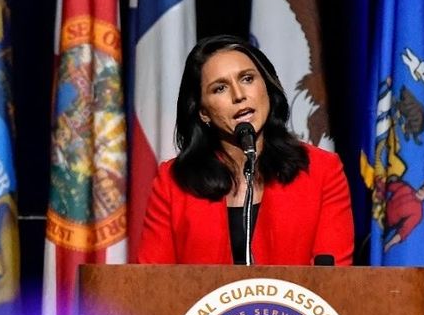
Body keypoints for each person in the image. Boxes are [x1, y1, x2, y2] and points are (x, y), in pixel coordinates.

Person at [137, 35, 354, 265]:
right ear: (203, 112)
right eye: (220, 88)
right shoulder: (173, 183)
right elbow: (152, 287)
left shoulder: (321, 171)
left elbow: (332, 284)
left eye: (247, 79)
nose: (239, 95)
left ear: (267, 88)